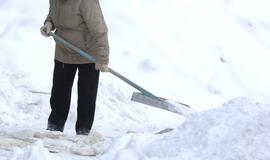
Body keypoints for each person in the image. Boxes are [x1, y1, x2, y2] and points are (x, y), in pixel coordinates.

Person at [40, 0, 109, 135]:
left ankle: (83, 129)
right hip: (64, 50)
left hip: (88, 53)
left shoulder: (86, 2)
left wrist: (102, 58)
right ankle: (54, 126)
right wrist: (49, 24)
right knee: (59, 92)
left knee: (86, 95)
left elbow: (99, 30)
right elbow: (53, 14)